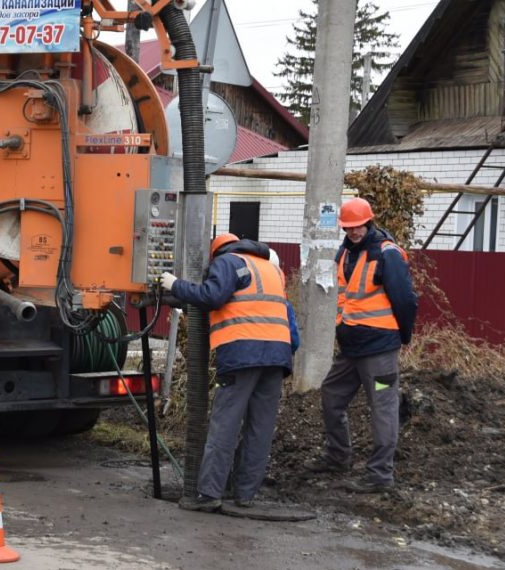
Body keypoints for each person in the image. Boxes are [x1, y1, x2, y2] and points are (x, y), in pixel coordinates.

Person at [160, 233, 293, 512]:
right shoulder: (270, 269)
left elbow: (212, 296)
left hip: (243, 353)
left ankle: (209, 494)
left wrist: (176, 285)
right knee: (260, 428)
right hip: (277, 356)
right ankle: (245, 494)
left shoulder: (227, 262)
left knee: (225, 424)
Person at [304, 197, 418, 493]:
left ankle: (380, 475)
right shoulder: (345, 253)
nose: (354, 232)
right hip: (352, 349)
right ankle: (338, 455)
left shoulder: (387, 254)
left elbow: (405, 300)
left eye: (358, 227)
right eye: (349, 227)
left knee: (382, 407)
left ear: (369, 222)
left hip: (380, 350)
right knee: (331, 394)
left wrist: (401, 337)